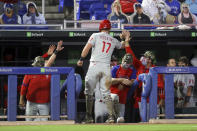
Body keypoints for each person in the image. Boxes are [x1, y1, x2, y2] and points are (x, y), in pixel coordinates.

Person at [77, 20, 130, 123]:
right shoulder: (113, 39)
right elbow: (122, 46)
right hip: (106, 67)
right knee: (106, 93)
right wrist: (125, 38)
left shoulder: (95, 35)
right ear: (109, 29)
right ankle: (111, 117)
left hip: (94, 65)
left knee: (88, 92)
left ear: (100, 27)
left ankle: (89, 118)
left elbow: (86, 49)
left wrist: (81, 59)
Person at [123, 32, 164, 122]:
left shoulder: (156, 70)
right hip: (140, 98)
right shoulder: (140, 66)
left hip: (153, 99)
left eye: (145, 57)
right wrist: (126, 41)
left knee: (153, 120)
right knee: (143, 120)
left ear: (150, 60)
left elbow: (160, 87)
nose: (143, 58)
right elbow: (131, 55)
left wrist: (161, 100)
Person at [19, 41, 64, 121]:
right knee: (28, 123)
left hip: (45, 103)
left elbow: (48, 62)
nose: (35, 67)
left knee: (44, 124)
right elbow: (24, 87)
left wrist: (56, 51)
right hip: (31, 102)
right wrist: (21, 99)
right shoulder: (30, 72)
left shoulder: (46, 69)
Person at [110, 53, 136, 123]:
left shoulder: (132, 70)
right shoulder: (115, 68)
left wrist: (121, 83)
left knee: (121, 119)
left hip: (123, 97)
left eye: (128, 62)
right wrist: (122, 80)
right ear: (122, 60)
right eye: (125, 61)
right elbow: (110, 81)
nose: (126, 63)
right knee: (114, 97)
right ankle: (111, 117)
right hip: (112, 94)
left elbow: (132, 82)